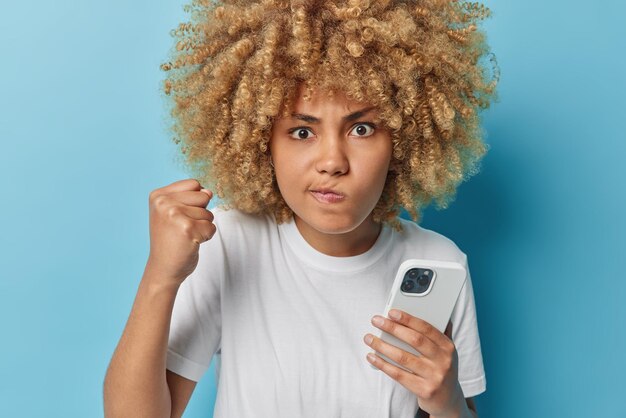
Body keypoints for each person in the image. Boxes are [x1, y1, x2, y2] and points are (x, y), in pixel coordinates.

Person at [103, 1, 498, 417]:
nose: (332, 161)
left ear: (402, 139)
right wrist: (160, 278)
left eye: (361, 129)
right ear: (262, 143)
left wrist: (448, 402)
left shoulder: (438, 262)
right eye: (302, 131)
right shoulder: (226, 244)